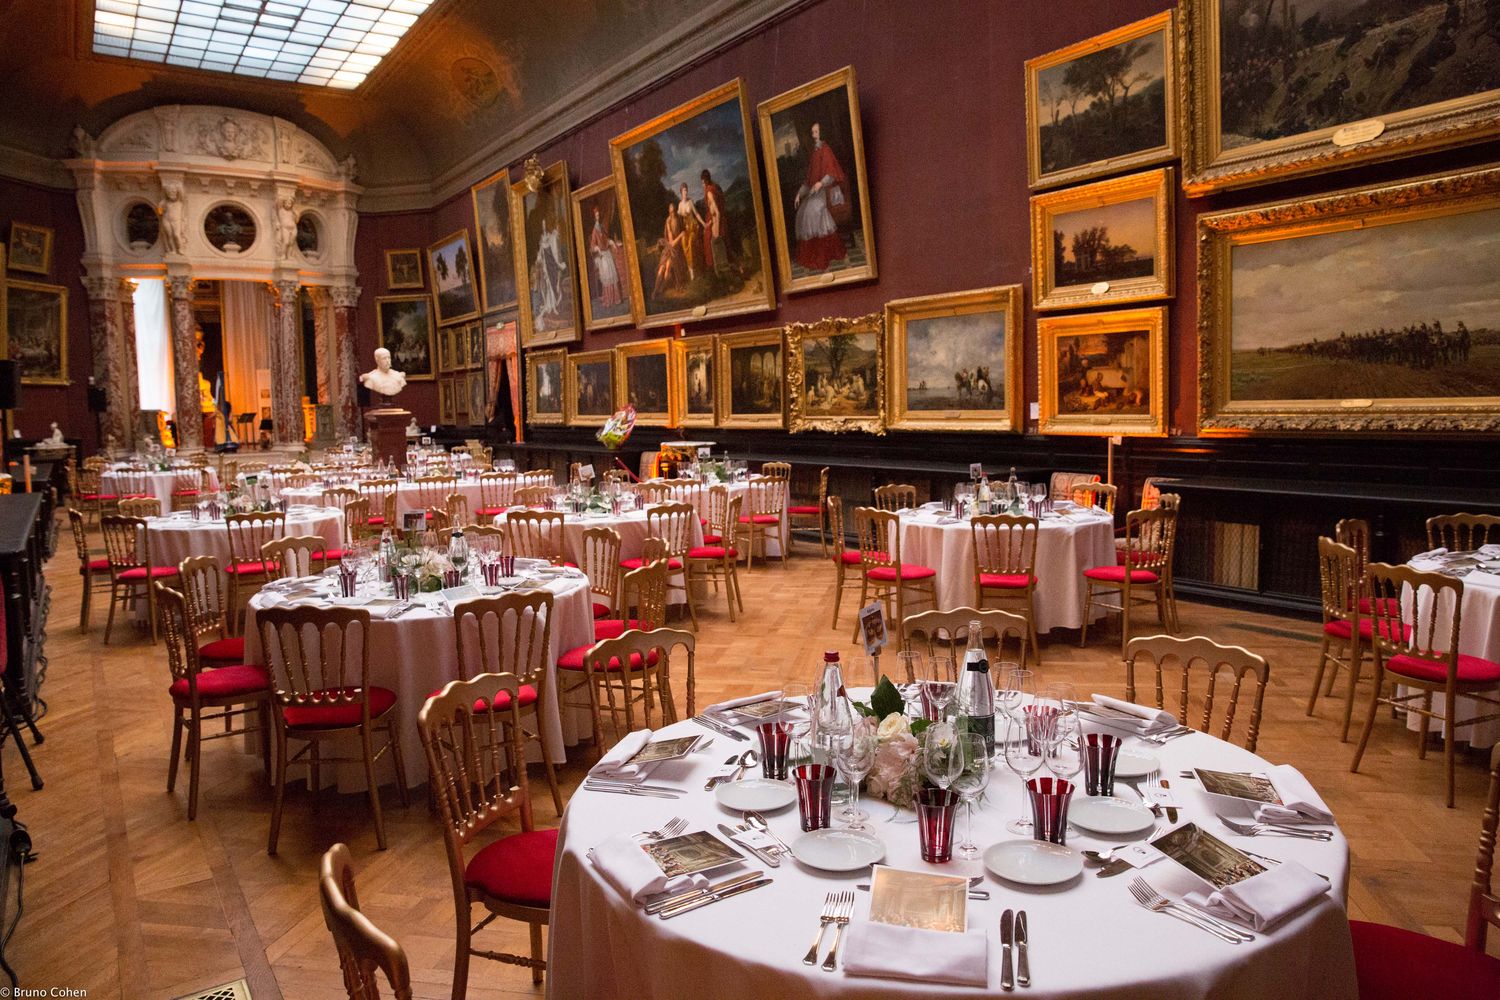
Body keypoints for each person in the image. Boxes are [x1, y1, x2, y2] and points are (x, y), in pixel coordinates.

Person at [792, 121, 850, 272]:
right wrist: (799, 193)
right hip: (813, 192)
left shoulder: (826, 150)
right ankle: (810, 255)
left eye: (816, 132)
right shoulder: (814, 153)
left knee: (813, 212)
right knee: (801, 213)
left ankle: (823, 255)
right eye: (812, 132)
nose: (813, 135)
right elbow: (808, 180)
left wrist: (821, 183)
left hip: (826, 191)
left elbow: (831, 174)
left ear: (822, 133)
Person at [588, 205, 626, 308]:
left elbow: (607, 239)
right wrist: (598, 249)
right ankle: (608, 299)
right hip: (602, 256)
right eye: (596, 216)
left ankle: (615, 298)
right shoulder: (594, 231)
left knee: (613, 273)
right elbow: (592, 245)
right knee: (607, 276)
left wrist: (612, 243)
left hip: (607, 253)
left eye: (599, 215)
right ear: (594, 217)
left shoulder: (602, 228)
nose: (598, 217)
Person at [699, 169, 733, 275]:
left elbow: (717, 212)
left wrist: (716, 229)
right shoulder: (713, 188)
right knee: (708, 235)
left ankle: (717, 270)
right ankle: (717, 270)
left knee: (709, 239)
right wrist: (709, 223)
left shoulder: (709, 192)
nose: (702, 185)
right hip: (715, 220)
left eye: (702, 183)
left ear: (704, 182)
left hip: (718, 222)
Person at [652, 208, 689, 298]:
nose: (672, 214)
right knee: (661, 269)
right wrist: (680, 236)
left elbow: (675, 245)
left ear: (675, 212)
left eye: (673, 212)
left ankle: (660, 290)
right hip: (669, 249)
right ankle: (655, 291)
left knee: (668, 268)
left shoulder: (678, 220)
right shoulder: (668, 222)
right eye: (670, 212)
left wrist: (681, 235)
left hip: (675, 251)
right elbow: (671, 243)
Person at [676, 183, 706, 280]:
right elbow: (678, 220)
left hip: (694, 227)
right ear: (681, 192)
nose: (685, 192)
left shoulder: (690, 202)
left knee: (690, 242)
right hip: (686, 229)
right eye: (684, 190)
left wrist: (704, 224)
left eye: (686, 190)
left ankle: (693, 269)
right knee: (684, 241)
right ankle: (690, 269)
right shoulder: (680, 205)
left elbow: (696, 214)